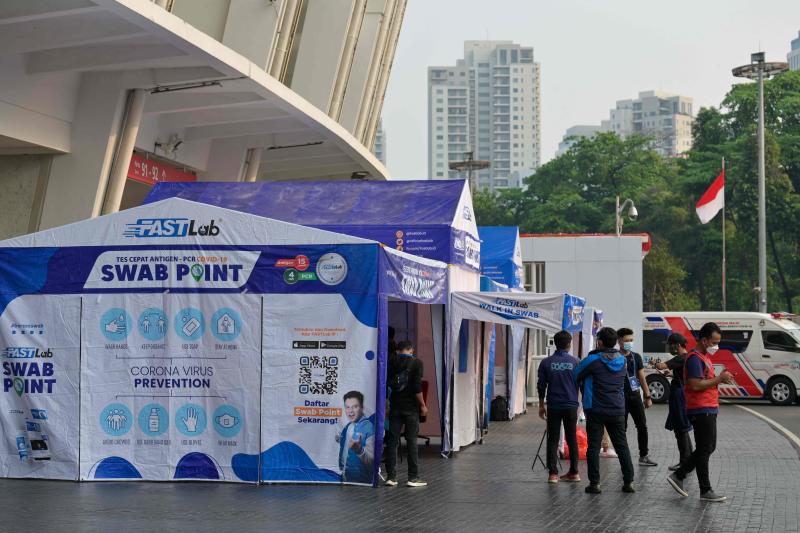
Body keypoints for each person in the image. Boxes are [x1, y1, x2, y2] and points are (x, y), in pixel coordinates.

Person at [668, 322, 733, 502]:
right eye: (714, 342)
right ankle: (699, 486)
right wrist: (719, 378)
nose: (716, 346)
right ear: (704, 340)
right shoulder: (695, 358)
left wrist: (720, 379)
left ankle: (684, 477)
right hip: (700, 408)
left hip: (708, 407)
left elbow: (706, 381)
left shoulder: (703, 356)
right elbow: (695, 385)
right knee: (705, 448)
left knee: (708, 447)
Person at [574, 327, 635, 494]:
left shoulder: (593, 359)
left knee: (593, 447)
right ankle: (629, 482)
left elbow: (576, 373)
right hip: (617, 408)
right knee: (622, 446)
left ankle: (595, 483)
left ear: (599, 342)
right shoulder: (622, 360)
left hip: (596, 409)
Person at [538, 330, 581, 483]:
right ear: (569, 344)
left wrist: (541, 405)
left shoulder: (546, 362)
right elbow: (581, 384)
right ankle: (574, 472)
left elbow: (541, 385)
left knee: (553, 439)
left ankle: (553, 474)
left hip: (554, 405)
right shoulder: (576, 362)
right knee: (571, 439)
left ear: (555, 344)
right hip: (571, 405)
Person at [385, 340, 429, 487]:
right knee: (411, 441)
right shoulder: (417, 363)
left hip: (395, 406)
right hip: (411, 408)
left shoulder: (391, 361)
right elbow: (417, 387)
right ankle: (413, 477)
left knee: (392, 441)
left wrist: (386, 404)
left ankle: (391, 477)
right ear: (411, 350)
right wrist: (423, 405)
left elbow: (385, 384)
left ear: (398, 350)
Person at [616, 328, 657, 467]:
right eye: (627, 341)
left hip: (635, 397)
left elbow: (641, 377)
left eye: (631, 340)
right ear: (619, 341)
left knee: (642, 426)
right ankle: (624, 456)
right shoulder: (615, 357)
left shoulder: (636, 356)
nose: (629, 343)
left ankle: (643, 455)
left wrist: (647, 396)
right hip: (620, 398)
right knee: (622, 428)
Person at [655, 332, 694, 470]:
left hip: (679, 394)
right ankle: (688, 460)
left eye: (670, 345)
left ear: (677, 345)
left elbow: (661, 366)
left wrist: (655, 363)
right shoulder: (687, 357)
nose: (669, 348)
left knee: (680, 428)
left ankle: (685, 462)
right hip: (682, 392)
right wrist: (672, 374)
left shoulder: (680, 358)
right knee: (683, 428)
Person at [336, 390, 375, 484]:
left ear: (362, 408)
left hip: (360, 482)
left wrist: (359, 450)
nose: (351, 411)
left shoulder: (369, 427)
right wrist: (340, 439)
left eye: (355, 407)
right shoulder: (347, 427)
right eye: (348, 407)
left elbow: (372, 460)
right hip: (345, 479)